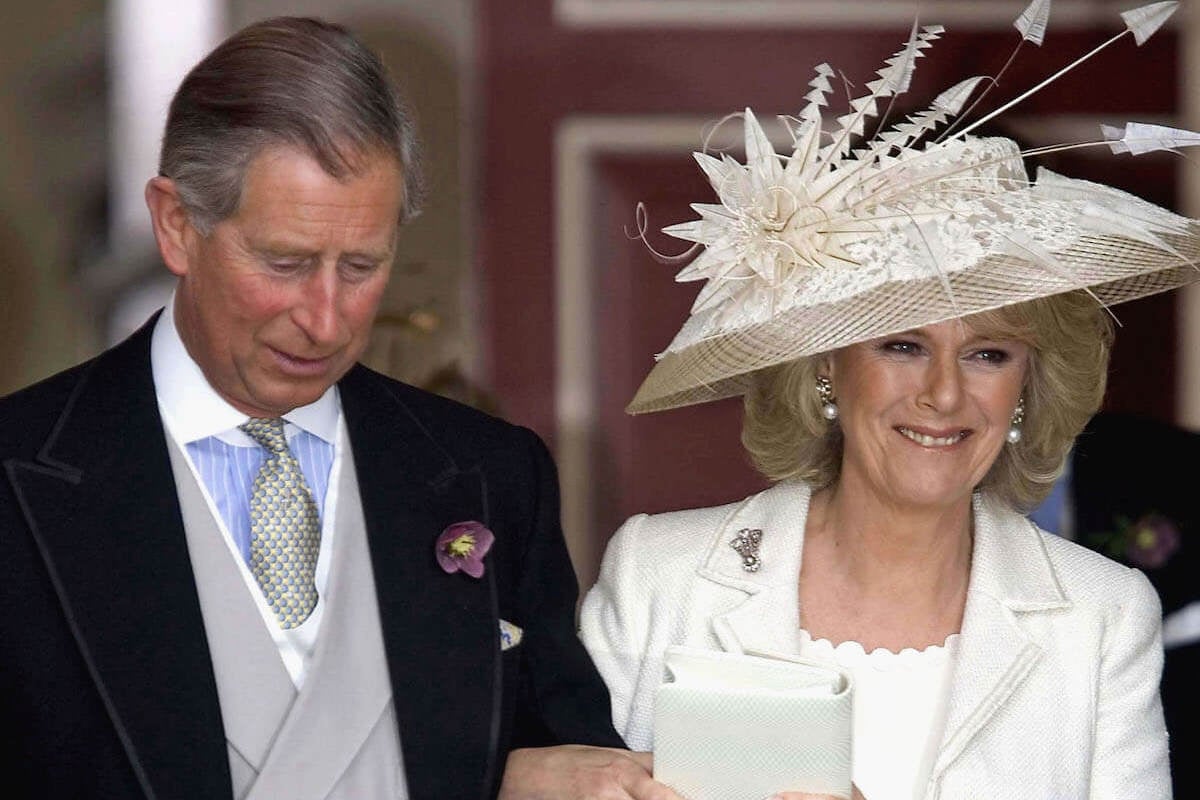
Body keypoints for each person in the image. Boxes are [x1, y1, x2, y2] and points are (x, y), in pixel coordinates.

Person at [0, 17, 679, 800]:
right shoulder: (19, 475)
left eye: (361, 265)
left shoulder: (492, 474)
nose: (326, 319)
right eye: (285, 263)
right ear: (178, 225)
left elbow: (556, 753)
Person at [580, 8, 1193, 799]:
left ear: (1026, 386)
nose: (943, 393)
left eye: (988, 354)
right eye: (901, 345)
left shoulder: (1101, 615)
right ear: (827, 366)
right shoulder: (663, 576)